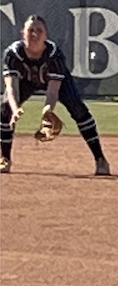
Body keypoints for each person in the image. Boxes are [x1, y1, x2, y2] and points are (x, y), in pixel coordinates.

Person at [2, 15, 110, 176]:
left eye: (39, 31)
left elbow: (53, 91)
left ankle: (100, 159)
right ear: (22, 33)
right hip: (26, 81)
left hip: (55, 81)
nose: (34, 34)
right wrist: (15, 109)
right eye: (30, 30)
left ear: (46, 35)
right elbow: (11, 88)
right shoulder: (12, 54)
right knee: (5, 110)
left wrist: (48, 111)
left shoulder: (53, 54)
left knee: (78, 109)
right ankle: (5, 158)